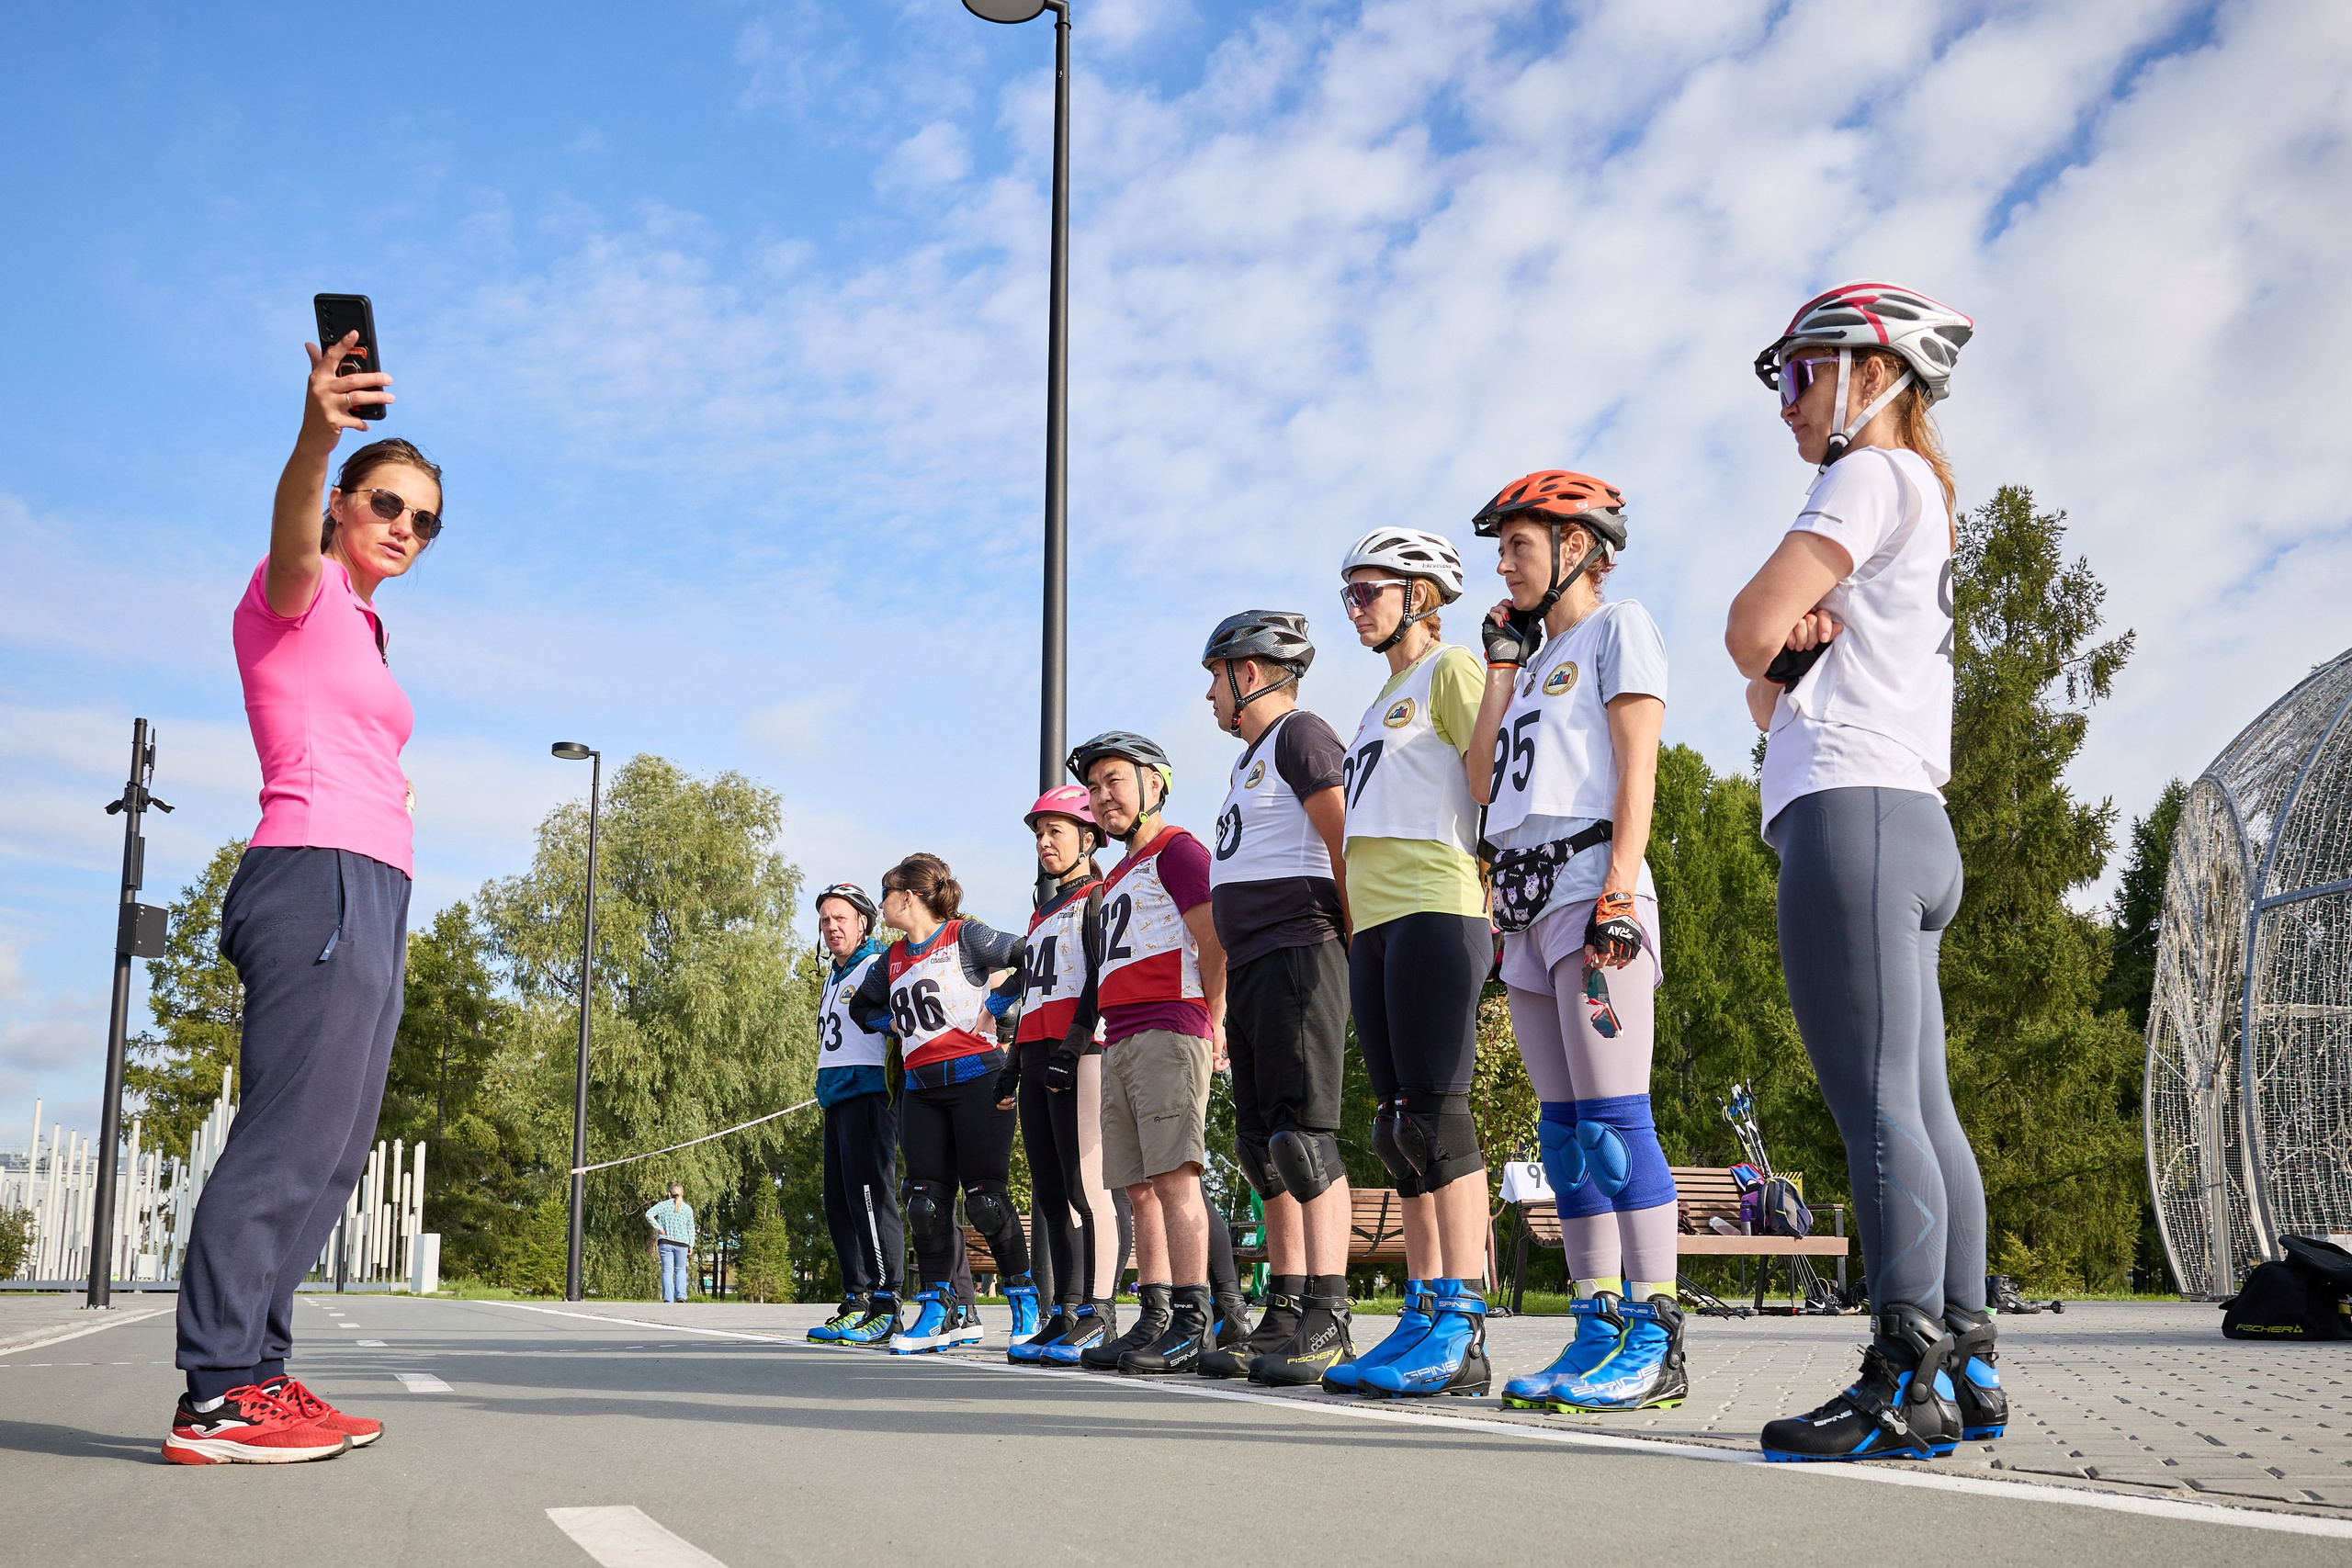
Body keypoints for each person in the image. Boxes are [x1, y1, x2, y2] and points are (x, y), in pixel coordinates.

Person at [1731, 282, 1996, 1462]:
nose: (1785, 401)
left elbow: (1746, 634)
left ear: (1871, 372)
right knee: (1923, 1106)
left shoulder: (1864, 475)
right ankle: (1969, 1359)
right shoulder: (1922, 494)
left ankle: (1904, 1372)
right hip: (1905, 818)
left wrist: (1778, 634)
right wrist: (1786, 651)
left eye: (1800, 372)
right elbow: (1768, 676)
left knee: (1876, 1109)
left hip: (1851, 811)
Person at [167, 332, 440, 1466]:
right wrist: (318, 426)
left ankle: (259, 1376)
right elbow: (288, 517)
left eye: (425, 521)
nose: (404, 529)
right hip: (314, 874)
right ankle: (219, 1391)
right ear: (341, 503)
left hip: (369, 884)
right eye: (386, 503)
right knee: (286, 1140)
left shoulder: (366, 628)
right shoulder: (297, 589)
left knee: (332, 1149)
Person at [1464, 471, 1688, 1416]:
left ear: (1579, 548)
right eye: (1503, 546)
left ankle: (1657, 1332)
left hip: (1591, 889)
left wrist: (1619, 892)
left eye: (1521, 544)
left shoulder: (1617, 627)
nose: (1505, 563)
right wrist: (1503, 668)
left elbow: (1638, 769)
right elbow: (1480, 782)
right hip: (1522, 907)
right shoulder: (1525, 668)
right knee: (1562, 1131)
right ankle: (1594, 1324)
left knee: (1612, 1118)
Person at [1317, 531, 1499, 1399]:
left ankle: (1463, 1323)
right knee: (1398, 1127)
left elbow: (1492, 780)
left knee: (1439, 1118)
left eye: (1368, 591)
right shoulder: (1378, 700)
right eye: (1347, 593)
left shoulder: (1452, 671)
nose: (1355, 606)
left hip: (1438, 903)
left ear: (1420, 594)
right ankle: (1424, 1311)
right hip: (1378, 922)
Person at [1192, 614, 1358, 1387]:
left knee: (1305, 1138)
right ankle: (1287, 1309)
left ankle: (1330, 1313)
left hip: (1301, 950)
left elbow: (1344, 837)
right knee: (1262, 1148)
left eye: (1214, 676)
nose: (1209, 694)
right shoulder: (1249, 762)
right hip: (1256, 963)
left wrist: (1361, 941)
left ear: (1247, 674)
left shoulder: (1299, 734)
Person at [1063, 733, 1229, 1375]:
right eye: (1096, 785)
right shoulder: (1122, 869)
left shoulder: (1177, 849)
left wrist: (1215, 1019)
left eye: (1116, 781)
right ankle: (1155, 1314)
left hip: (1169, 1027)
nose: (1104, 795)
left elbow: (1214, 936)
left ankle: (1193, 1317)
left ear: (1154, 783)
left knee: (1174, 1178)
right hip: (1122, 1036)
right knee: (1138, 1189)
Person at [849, 854, 1036, 1355]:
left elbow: (1032, 953)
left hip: (979, 1081)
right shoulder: (889, 960)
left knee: (986, 1201)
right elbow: (860, 1006)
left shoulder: (965, 936)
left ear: (907, 897)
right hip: (920, 1089)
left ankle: (1024, 1300)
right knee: (924, 1203)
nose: (883, 903)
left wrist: (996, 1006)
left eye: (886, 894)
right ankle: (939, 1309)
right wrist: (887, 1024)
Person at [995, 788, 1122, 1365]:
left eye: (1056, 832)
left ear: (1088, 838)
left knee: (1085, 1187)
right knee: (1049, 1191)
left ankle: (1100, 1312)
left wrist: (1072, 1050)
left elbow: (1098, 982)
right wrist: (1011, 1070)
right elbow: (1032, 998)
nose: (1044, 843)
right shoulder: (1041, 911)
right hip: (1037, 1052)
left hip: (1082, 1053)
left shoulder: (1098, 896)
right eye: (1039, 833)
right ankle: (1066, 1310)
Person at [806, 884, 906, 1347]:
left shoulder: (877, 964)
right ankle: (858, 1296)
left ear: (863, 921)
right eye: (825, 920)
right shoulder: (834, 974)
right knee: (839, 1201)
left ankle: (888, 1300)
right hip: (836, 1096)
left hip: (868, 1093)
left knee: (870, 1197)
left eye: (840, 918)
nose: (831, 928)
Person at [647, 1185, 696, 1303]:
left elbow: (648, 1215)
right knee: (680, 1269)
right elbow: (691, 1228)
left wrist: (659, 1228)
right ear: (682, 1194)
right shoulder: (687, 1209)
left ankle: (668, 1298)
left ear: (669, 1194)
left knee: (667, 1270)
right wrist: (691, 1244)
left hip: (665, 1241)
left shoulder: (662, 1205)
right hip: (682, 1243)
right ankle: (681, 1296)